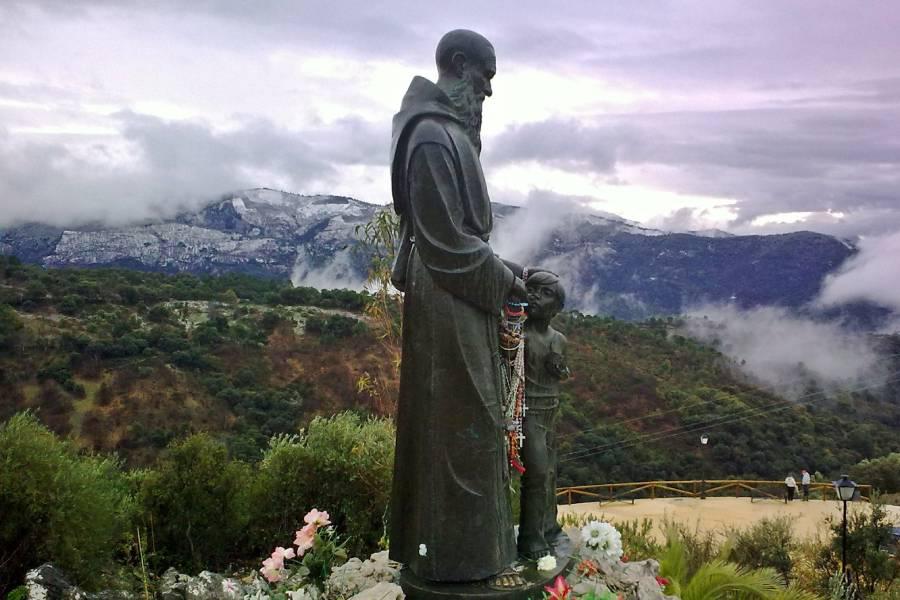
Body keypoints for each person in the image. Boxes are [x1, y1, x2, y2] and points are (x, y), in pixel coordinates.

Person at [388, 29, 528, 584]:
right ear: (459, 63)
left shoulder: (446, 133)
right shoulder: (429, 136)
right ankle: (455, 561)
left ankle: (472, 553)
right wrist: (506, 281)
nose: (489, 91)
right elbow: (445, 243)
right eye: (485, 76)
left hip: (460, 292)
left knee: (471, 419)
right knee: (463, 419)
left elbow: (459, 237)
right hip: (446, 298)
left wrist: (510, 273)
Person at [517, 270, 569, 560]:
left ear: (556, 307)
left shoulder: (559, 339)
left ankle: (548, 526)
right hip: (527, 411)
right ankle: (530, 539)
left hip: (551, 410)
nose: (535, 296)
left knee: (549, 472)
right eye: (532, 289)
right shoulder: (518, 335)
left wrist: (560, 369)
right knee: (536, 473)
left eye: (545, 293)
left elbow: (560, 373)